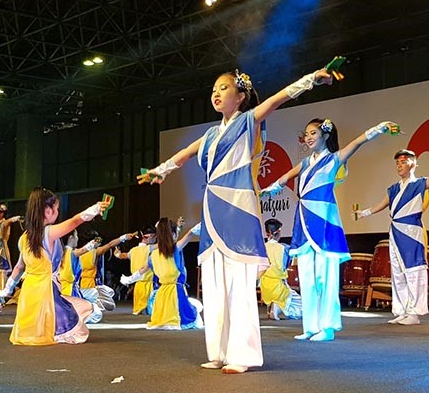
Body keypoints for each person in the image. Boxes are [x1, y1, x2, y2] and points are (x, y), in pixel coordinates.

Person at [139, 67, 333, 373]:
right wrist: (160, 170)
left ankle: (242, 354)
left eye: (224, 88)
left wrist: (311, 80)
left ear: (241, 96)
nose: (216, 93)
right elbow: (186, 154)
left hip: (238, 210)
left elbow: (276, 100)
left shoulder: (247, 121)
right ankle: (218, 351)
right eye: (214, 89)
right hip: (213, 209)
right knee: (214, 286)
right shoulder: (210, 135)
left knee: (238, 288)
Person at [262, 118, 399, 341]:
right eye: (306, 133)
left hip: (324, 221)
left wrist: (378, 128)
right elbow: (284, 178)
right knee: (306, 276)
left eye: (313, 133)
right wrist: (268, 190)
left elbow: (357, 142)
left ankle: (326, 327)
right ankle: (310, 325)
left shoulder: (334, 159)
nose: (308, 137)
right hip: (304, 220)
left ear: (325, 135)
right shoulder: (305, 163)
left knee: (324, 276)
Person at [355, 150, 429, 325]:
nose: (399, 165)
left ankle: (414, 313)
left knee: (413, 270)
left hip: (411, 231)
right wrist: (363, 213)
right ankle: (402, 310)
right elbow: (381, 204)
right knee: (398, 272)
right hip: (395, 230)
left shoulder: (419, 184)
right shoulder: (394, 188)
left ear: (413, 163)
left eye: (403, 161)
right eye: (397, 163)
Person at [0, 188, 110, 345]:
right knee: (86, 317)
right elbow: (74, 221)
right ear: (47, 210)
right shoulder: (49, 232)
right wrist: (93, 209)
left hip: (29, 295)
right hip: (47, 292)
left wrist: (6, 290)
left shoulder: (24, 238)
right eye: (56, 208)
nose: (57, 212)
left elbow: (19, 267)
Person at [121, 219, 203, 330]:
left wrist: (128, 280)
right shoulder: (175, 249)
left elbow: (142, 270)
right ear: (173, 234)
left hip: (162, 295)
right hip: (177, 293)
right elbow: (189, 235)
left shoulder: (153, 255)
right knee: (196, 310)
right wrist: (198, 227)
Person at [75, 230, 138, 323]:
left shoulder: (75, 252)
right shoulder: (94, 252)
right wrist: (123, 237)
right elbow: (109, 245)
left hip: (80, 286)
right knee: (98, 314)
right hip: (89, 288)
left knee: (110, 295)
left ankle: (89, 306)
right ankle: (89, 309)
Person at [259, 219, 302, 320]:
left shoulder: (261, 248)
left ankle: (272, 306)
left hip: (264, 287)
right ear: (278, 232)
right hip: (279, 287)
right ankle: (277, 306)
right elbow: (286, 265)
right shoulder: (284, 248)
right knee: (301, 309)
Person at [114, 225, 157, 315]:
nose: (155, 239)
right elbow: (167, 244)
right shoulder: (150, 249)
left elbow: (122, 256)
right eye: (154, 236)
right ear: (148, 237)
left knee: (139, 311)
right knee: (147, 311)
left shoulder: (133, 251)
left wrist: (117, 254)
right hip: (147, 285)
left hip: (137, 286)